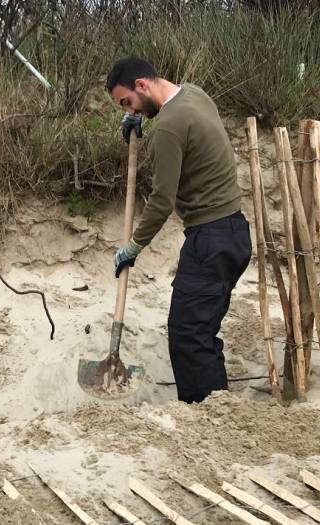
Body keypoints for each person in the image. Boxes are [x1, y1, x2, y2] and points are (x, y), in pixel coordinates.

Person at [106, 57, 251, 403]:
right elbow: (183, 131)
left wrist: (134, 246)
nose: (127, 109)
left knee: (188, 334)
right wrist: (140, 115)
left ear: (142, 84)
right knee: (200, 332)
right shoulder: (194, 95)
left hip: (210, 239)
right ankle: (220, 405)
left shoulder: (169, 127)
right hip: (234, 233)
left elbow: (161, 200)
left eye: (127, 102)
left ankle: (205, 415)